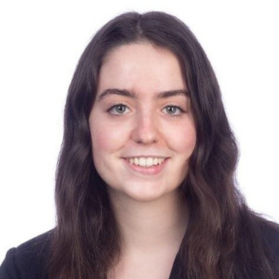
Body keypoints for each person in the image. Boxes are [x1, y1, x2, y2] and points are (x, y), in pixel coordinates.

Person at [0, 11, 278, 279]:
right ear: (83, 124)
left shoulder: (273, 258)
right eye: (120, 107)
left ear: (204, 125)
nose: (146, 133)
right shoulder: (25, 269)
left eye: (171, 109)